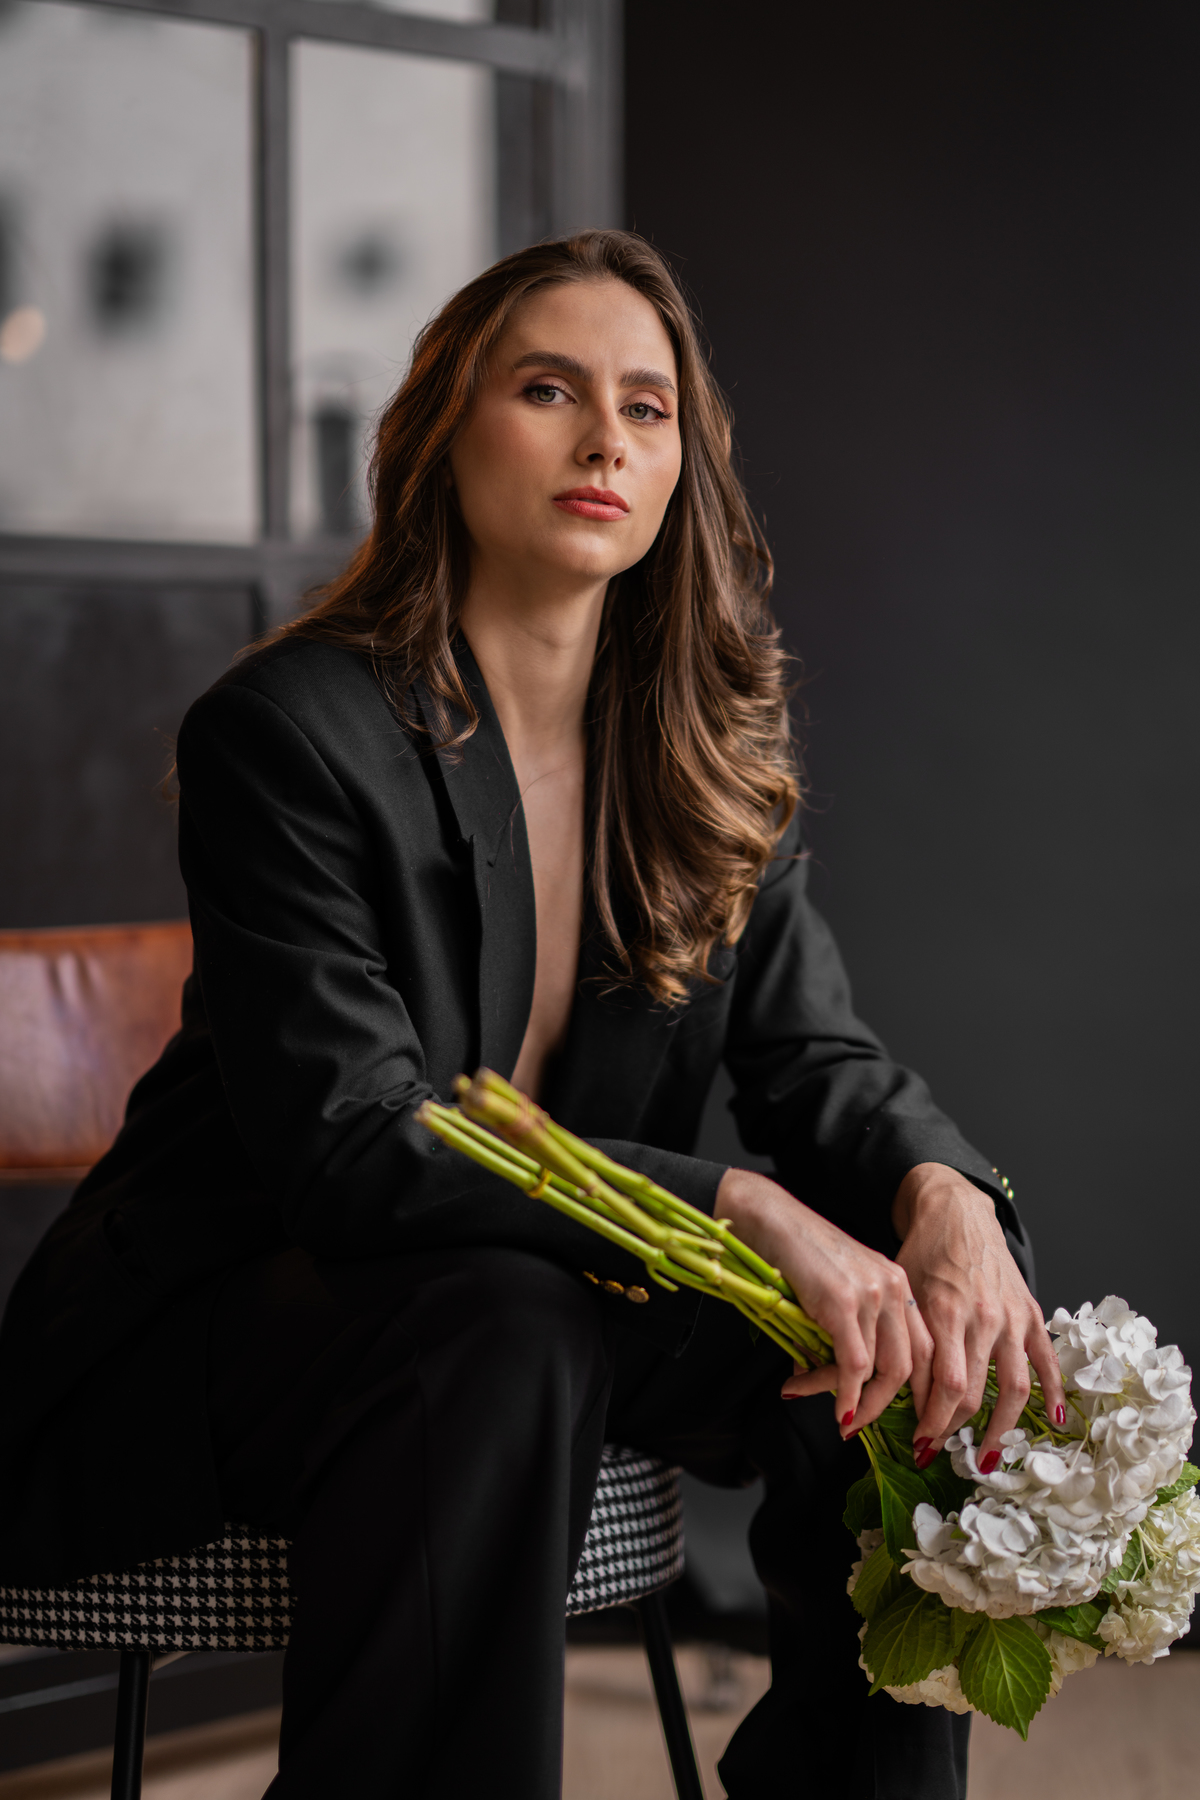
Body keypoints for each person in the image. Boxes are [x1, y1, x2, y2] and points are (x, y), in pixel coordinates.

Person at [0, 231, 1064, 1799]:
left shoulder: (698, 760)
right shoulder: (289, 735)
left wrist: (945, 1200)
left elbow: (814, 1055)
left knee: (898, 1352)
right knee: (508, 1326)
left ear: (681, 468)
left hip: (544, 1316)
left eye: (646, 407)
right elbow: (355, 1147)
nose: (603, 441)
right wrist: (745, 1204)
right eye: (549, 390)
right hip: (236, 1328)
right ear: (443, 431)